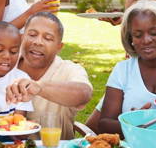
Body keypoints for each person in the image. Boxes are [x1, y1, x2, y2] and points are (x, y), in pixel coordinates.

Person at [97, 0, 156, 137]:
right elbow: (104, 124)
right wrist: (134, 124)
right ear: (130, 39)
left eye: (154, 33)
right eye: (138, 35)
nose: (146, 40)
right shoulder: (123, 70)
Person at [6, 12, 93, 140]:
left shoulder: (68, 70)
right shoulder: (4, 65)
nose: (38, 42)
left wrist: (39, 87)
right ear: (22, 37)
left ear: (59, 47)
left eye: (48, 38)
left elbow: (84, 93)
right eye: (32, 35)